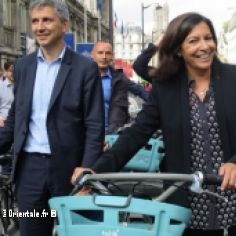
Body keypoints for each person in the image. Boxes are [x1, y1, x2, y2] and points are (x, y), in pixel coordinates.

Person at [72, 12, 236, 236]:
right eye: (193, 40)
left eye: (208, 38)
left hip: (232, 198)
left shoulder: (232, 78)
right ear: (178, 49)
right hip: (187, 204)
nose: (205, 46)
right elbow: (136, 134)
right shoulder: (165, 87)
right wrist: (96, 172)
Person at [0, 0, 104, 235]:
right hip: (29, 171)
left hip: (70, 171)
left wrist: (87, 169)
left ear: (64, 25)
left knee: (75, 231)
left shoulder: (84, 68)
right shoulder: (23, 66)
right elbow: (17, 116)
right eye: (35, 21)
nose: (40, 27)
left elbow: (95, 125)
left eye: (47, 20)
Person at [91, 41, 149, 134]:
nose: (104, 57)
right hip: (89, 135)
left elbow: (140, 91)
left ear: (112, 57)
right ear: (93, 55)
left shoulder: (120, 78)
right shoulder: (83, 77)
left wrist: (161, 106)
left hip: (113, 135)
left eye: (108, 53)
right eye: (100, 53)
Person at [0, 61, 14, 127]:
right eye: (11, 71)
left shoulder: (18, 85)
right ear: (6, 71)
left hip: (14, 121)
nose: (13, 73)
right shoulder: (1, 85)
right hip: (3, 121)